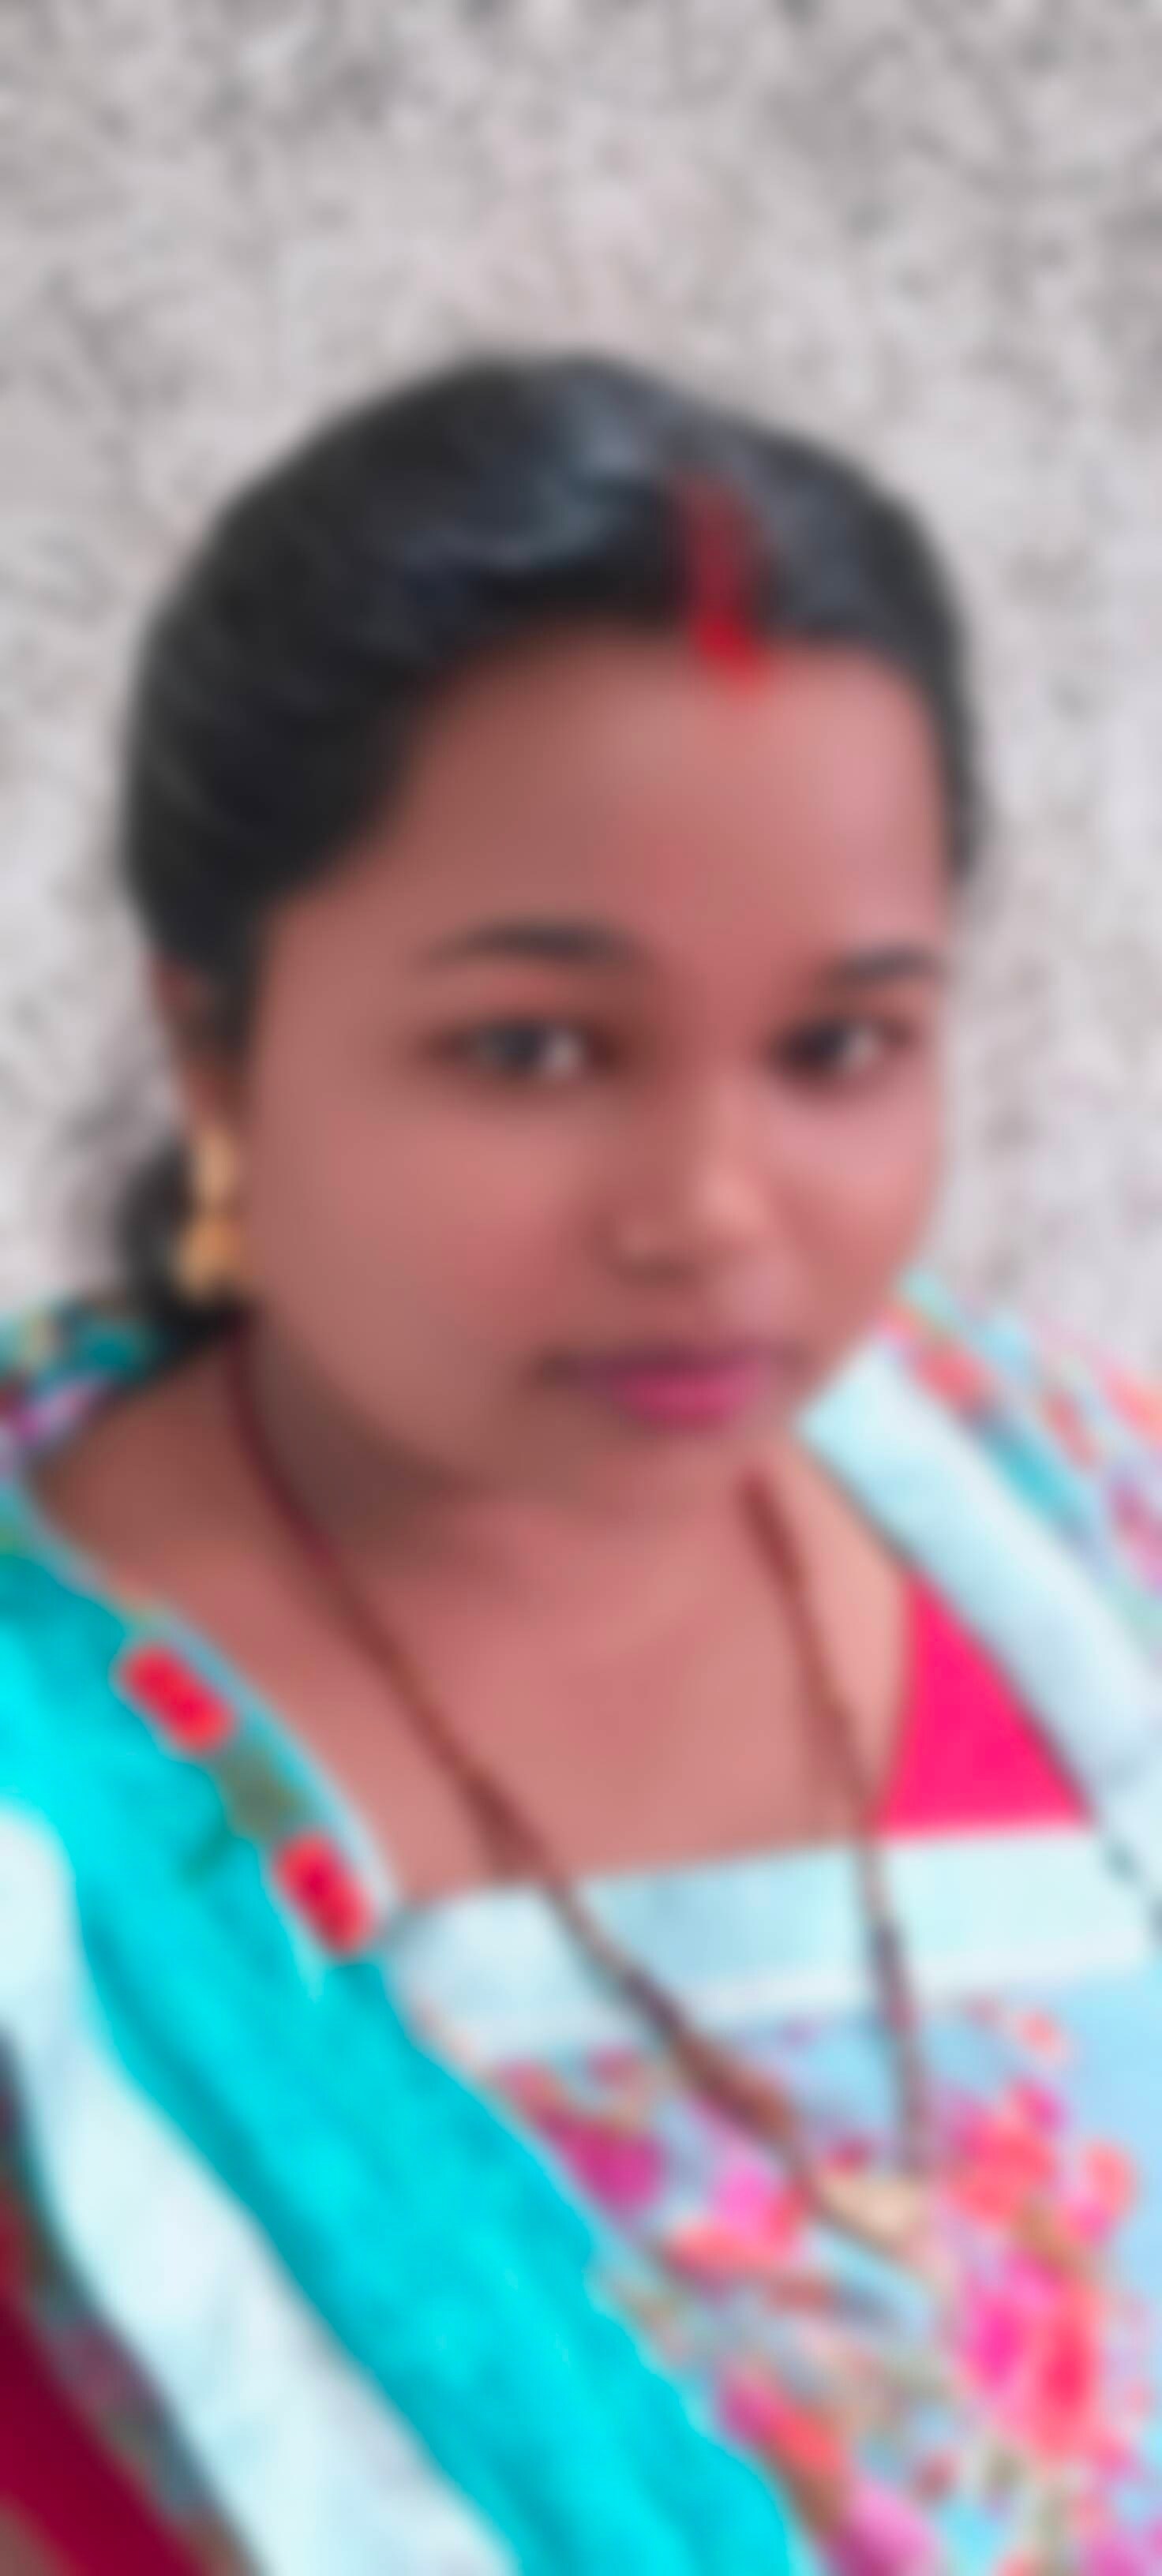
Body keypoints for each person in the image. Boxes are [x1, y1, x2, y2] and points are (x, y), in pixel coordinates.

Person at [2, 354, 1162, 2576]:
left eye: (839, 1045)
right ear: (214, 1038)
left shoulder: (1083, 1536)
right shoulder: (59, 1831)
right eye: (533, 1048)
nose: (711, 1213)